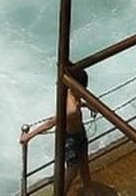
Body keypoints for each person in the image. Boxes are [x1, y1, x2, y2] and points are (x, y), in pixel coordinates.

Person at [19, 64, 94, 193]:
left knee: (84, 166)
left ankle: (88, 189)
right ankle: (60, 193)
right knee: (72, 171)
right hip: (70, 139)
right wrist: (29, 136)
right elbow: (52, 122)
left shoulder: (73, 91)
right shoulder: (71, 110)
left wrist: (86, 105)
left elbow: (78, 102)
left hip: (80, 132)